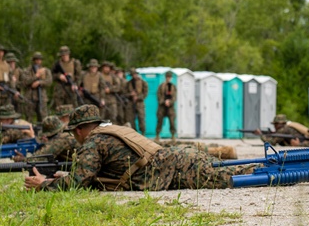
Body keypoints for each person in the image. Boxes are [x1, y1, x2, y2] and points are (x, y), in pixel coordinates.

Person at [24, 105, 255, 191]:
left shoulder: (93, 142)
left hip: (175, 168)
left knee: (233, 177)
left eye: (75, 131)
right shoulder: (111, 131)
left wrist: (44, 184)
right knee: (227, 171)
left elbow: (79, 182)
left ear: (82, 129)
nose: (75, 136)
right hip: (176, 161)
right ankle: (275, 168)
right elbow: (92, 177)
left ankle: (281, 169)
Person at [19, 52, 51, 123]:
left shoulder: (45, 70)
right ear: (33, 60)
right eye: (36, 60)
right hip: (30, 98)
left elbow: (49, 81)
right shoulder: (27, 71)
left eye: (39, 60)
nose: (38, 62)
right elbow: (24, 81)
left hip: (42, 98)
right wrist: (35, 76)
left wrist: (40, 82)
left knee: (43, 118)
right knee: (28, 118)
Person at [51, 46, 83, 110]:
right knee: (59, 109)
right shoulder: (57, 64)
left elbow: (79, 76)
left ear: (69, 54)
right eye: (62, 55)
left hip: (71, 88)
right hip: (60, 88)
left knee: (73, 109)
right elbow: (51, 75)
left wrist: (76, 84)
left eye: (66, 55)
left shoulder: (75, 63)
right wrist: (59, 76)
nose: (64, 56)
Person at [126, 68, 148, 134]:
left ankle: (143, 133)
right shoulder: (128, 83)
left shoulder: (143, 82)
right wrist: (130, 94)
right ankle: (134, 134)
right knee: (131, 120)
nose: (134, 76)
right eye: (132, 74)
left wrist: (138, 97)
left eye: (135, 74)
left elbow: (145, 93)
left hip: (140, 103)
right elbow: (125, 94)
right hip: (131, 104)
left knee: (141, 119)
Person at [156, 71, 177, 138]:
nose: (169, 78)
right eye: (167, 77)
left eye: (170, 77)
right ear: (166, 77)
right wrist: (164, 101)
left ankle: (173, 135)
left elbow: (175, 97)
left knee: (172, 121)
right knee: (160, 120)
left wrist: (170, 102)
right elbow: (158, 95)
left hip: (170, 106)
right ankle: (157, 135)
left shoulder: (173, 87)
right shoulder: (161, 86)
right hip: (162, 106)